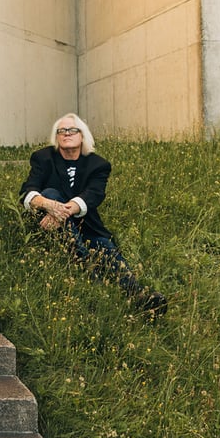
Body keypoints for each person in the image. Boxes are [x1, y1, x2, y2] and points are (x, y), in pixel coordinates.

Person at [19, 113, 167, 317]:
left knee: (107, 249)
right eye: (61, 131)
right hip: (46, 224)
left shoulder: (98, 165)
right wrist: (48, 204)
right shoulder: (43, 158)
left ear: (82, 135)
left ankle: (140, 296)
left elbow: (93, 194)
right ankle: (86, 265)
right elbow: (28, 191)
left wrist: (61, 212)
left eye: (72, 130)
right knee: (50, 192)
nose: (66, 134)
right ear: (56, 136)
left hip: (86, 225)